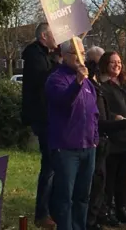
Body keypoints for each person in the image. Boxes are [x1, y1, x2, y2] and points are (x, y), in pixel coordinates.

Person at [45, 37, 98, 230]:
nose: (80, 57)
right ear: (65, 56)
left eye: (82, 53)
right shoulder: (56, 79)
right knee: (65, 197)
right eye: (76, 53)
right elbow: (64, 102)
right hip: (66, 147)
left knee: (82, 196)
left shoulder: (88, 83)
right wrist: (77, 83)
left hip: (88, 147)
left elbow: (93, 111)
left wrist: (94, 138)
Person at [87, 55, 126, 229]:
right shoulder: (102, 87)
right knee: (109, 178)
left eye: (119, 62)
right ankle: (107, 211)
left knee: (123, 177)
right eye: (113, 62)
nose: (117, 65)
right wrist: (116, 118)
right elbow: (103, 112)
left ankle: (121, 208)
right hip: (113, 137)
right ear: (105, 64)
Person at [21, 22, 57, 228]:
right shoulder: (35, 55)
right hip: (43, 117)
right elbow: (46, 80)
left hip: (50, 116)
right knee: (50, 165)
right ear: (44, 35)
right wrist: (60, 63)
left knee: (54, 164)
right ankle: (42, 213)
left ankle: (50, 208)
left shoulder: (46, 55)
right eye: (54, 34)